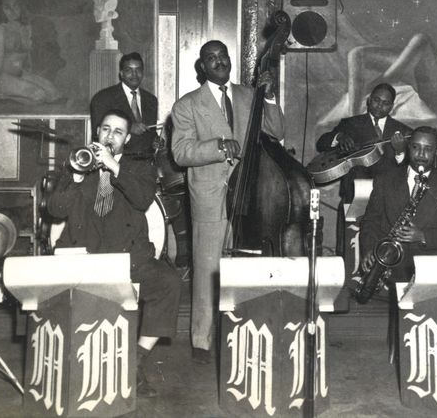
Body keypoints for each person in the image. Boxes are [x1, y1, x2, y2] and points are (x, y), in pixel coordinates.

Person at [46, 110, 180, 398]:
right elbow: (55, 209)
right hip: (85, 258)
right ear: (97, 133)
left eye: (117, 132)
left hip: (128, 259)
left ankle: (136, 360)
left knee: (169, 283)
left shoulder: (139, 168)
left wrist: (113, 167)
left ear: (127, 139)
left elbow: (143, 198)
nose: (110, 136)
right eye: (105, 129)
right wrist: (78, 178)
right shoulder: (75, 164)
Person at [170, 40, 284, 364]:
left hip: (249, 195)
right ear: (202, 66)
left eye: (223, 56)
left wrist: (270, 96)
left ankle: (243, 334)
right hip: (211, 197)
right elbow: (180, 153)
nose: (219, 61)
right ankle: (202, 342)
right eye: (211, 58)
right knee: (207, 270)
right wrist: (219, 147)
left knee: (244, 268)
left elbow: (278, 129)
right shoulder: (187, 105)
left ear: (230, 61)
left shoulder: (250, 96)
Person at [359, 126, 437, 284]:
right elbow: (371, 220)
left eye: (428, 149)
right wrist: (370, 249)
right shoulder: (385, 180)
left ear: (436, 151)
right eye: (416, 147)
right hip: (392, 265)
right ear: (408, 147)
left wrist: (422, 236)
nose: (421, 154)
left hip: (432, 266)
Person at [315, 83, 411, 253]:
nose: (380, 106)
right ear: (368, 100)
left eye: (385, 103)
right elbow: (322, 143)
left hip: (387, 202)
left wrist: (400, 151)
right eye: (376, 100)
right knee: (352, 251)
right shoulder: (350, 124)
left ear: (391, 106)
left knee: (382, 249)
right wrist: (339, 137)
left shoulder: (402, 131)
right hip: (355, 197)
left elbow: (407, 167)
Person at [0, 0, 61, 104]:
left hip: (20, 74)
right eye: (7, 7)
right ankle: (2, 95)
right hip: (3, 78)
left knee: (53, 92)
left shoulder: (26, 28)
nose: (12, 11)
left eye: (15, 6)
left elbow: (27, 57)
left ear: (20, 7)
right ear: (2, 10)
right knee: (39, 95)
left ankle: (12, 93)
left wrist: (30, 76)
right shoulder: (1, 30)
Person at [90, 52, 158, 153]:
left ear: (143, 73)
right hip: (117, 160)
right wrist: (129, 128)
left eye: (138, 70)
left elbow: (150, 133)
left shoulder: (151, 100)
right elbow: (98, 134)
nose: (134, 74)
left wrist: (156, 141)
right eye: (129, 70)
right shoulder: (103, 98)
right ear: (121, 73)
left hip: (146, 162)